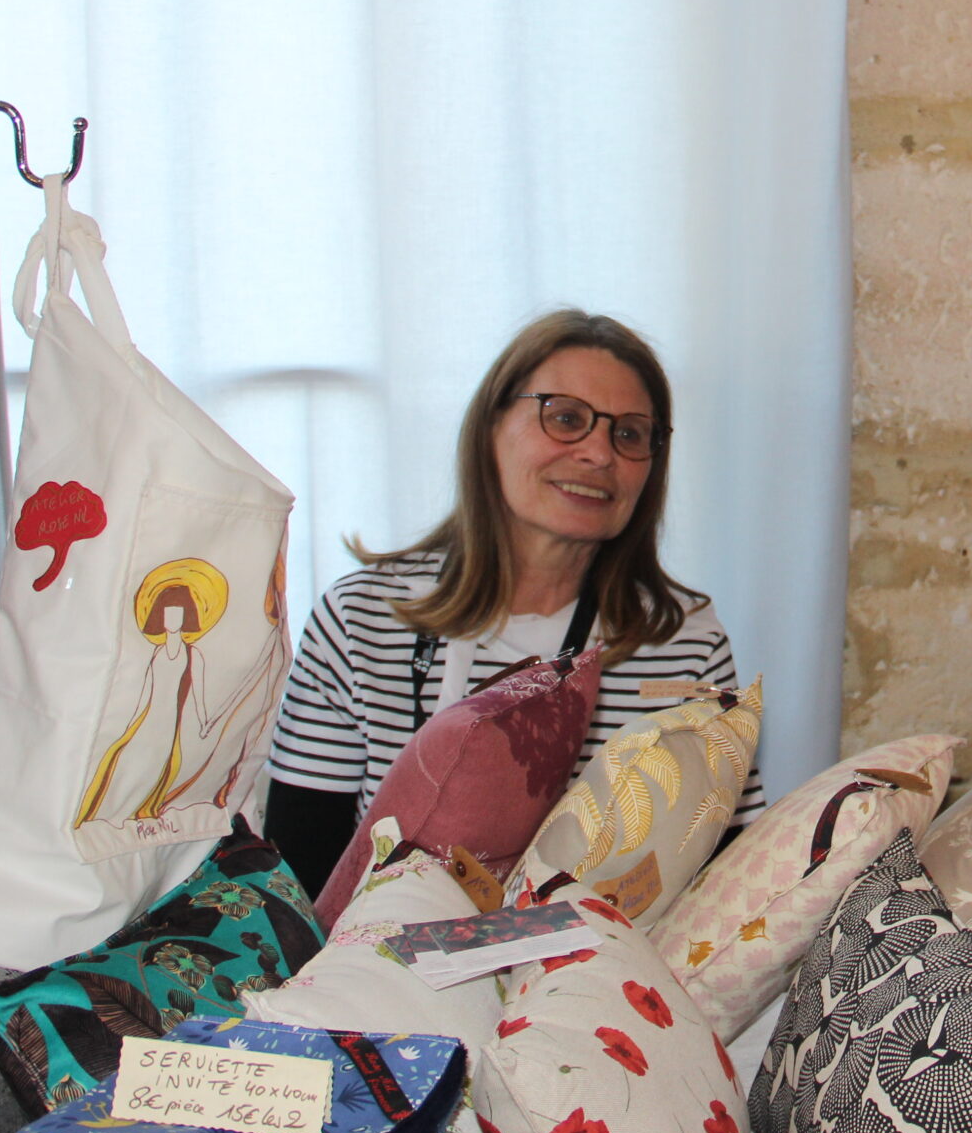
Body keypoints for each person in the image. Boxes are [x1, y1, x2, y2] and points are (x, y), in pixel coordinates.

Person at [265, 309, 758, 894]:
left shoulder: (687, 644)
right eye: (566, 418)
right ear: (490, 427)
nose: (599, 454)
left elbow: (722, 881)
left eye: (628, 434)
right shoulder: (360, 620)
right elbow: (297, 881)